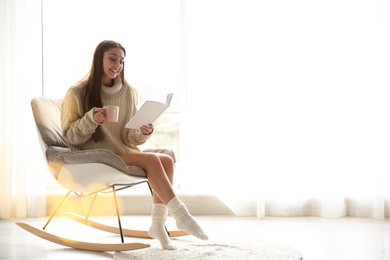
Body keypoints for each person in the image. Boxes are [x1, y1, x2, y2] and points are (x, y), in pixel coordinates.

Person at [61, 40, 208, 250]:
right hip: (94, 156)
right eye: (112, 58)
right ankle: (181, 214)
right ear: (98, 59)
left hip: (120, 153)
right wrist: (91, 119)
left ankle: (157, 225)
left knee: (166, 159)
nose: (117, 65)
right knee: (151, 159)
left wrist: (141, 132)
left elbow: (128, 136)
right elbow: (70, 138)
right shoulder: (76, 92)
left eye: (121, 61)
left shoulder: (127, 92)